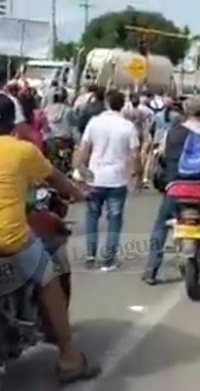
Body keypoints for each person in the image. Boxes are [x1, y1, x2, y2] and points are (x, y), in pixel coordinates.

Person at [0, 93, 99, 384]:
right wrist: (80, 194)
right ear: (14, 123)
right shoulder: (23, 152)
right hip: (8, 238)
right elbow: (56, 179)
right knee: (49, 278)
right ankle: (69, 357)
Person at [142, 96, 200, 285]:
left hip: (177, 189)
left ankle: (151, 270)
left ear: (185, 111)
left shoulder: (173, 132)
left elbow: (164, 155)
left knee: (161, 225)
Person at [74, 89, 140, 271]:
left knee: (92, 217)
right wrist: (138, 176)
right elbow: (135, 155)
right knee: (115, 219)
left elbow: (84, 150)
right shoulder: (128, 126)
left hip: (95, 176)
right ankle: (109, 259)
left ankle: (90, 255)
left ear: (106, 104)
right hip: (117, 179)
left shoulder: (94, 123)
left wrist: (81, 172)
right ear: (122, 105)